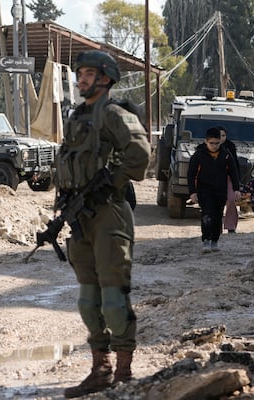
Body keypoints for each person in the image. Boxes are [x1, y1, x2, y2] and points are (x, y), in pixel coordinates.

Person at [57, 50, 151, 398]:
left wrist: (109, 182)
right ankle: (100, 369)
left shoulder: (113, 114)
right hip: (80, 216)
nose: (81, 78)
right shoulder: (76, 117)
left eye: (89, 73)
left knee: (113, 299)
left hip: (109, 212)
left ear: (105, 78)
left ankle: (124, 371)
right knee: (88, 299)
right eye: (80, 73)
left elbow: (140, 154)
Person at [188, 127, 241, 252]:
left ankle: (215, 241)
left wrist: (236, 189)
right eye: (211, 143)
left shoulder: (226, 155)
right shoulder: (198, 155)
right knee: (207, 215)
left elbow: (234, 173)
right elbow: (191, 174)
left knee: (217, 216)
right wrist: (192, 192)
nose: (214, 146)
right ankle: (205, 240)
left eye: (217, 143)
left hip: (220, 191)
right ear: (206, 141)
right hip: (204, 191)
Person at [218, 125, 240, 233]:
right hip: (214, 179)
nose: (221, 138)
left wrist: (237, 184)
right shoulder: (207, 147)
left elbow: (235, 164)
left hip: (229, 178)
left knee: (231, 200)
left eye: (223, 135)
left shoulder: (230, 147)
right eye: (219, 135)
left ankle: (230, 226)